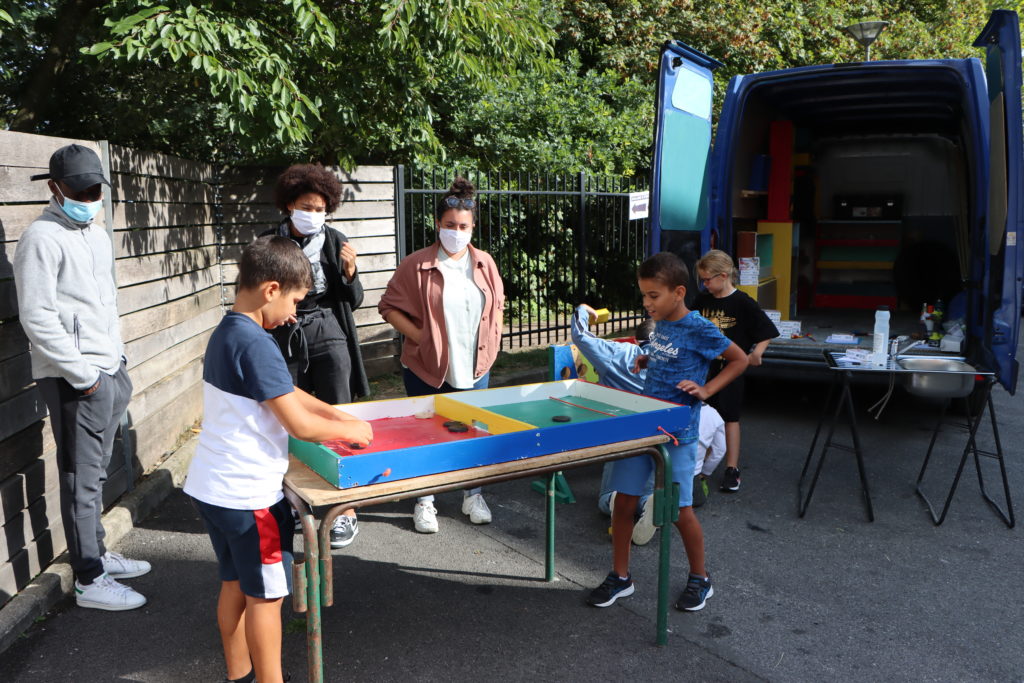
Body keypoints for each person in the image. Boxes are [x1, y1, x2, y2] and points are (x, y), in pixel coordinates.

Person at [183, 236, 372, 683]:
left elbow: (286, 393)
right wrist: (350, 429)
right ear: (270, 289)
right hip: (250, 498)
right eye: (293, 301)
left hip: (213, 489)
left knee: (235, 585)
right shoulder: (257, 343)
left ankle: (238, 675)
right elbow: (298, 425)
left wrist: (333, 410)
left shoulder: (228, 331)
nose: (293, 313)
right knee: (267, 598)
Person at [14, 144, 150, 611]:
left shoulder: (95, 231)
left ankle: (97, 555)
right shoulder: (41, 238)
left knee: (94, 473)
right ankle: (90, 579)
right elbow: (37, 317)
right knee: (80, 478)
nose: (89, 197)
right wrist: (86, 375)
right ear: (55, 189)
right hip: (77, 379)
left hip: (108, 369)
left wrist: (118, 362)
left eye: (95, 189)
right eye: (80, 190)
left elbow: (104, 304)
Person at [587, 252, 748, 612]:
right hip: (645, 427)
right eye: (643, 295)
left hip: (678, 433)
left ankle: (700, 579)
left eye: (652, 296)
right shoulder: (660, 323)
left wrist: (707, 391)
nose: (646, 303)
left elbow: (740, 359)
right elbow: (666, 353)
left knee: (678, 510)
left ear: (678, 292)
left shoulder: (700, 328)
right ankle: (621, 577)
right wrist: (648, 356)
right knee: (624, 501)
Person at [378, 177, 504, 534]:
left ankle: (472, 493)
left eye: (463, 226)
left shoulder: (484, 263)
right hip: (426, 367)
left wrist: (492, 337)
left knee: (474, 430)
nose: (457, 232)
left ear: (473, 227)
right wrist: (420, 336)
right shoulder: (416, 265)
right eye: (450, 225)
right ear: (438, 224)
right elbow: (388, 306)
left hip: (476, 365)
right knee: (426, 434)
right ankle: (425, 500)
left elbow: (497, 304)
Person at [261, 164, 369, 549]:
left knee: (338, 414)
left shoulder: (336, 240)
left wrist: (351, 272)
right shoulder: (268, 243)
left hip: (328, 332)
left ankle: (345, 510)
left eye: (321, 208)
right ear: (289, 205)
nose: (314, 214)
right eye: (307, 206)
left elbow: (354, 301)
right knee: (289, 419)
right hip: (284, 336)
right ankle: (293, 503)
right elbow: (257, 293)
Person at [693, 249, 779, 493]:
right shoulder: (702, 300)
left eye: (708, 279)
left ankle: (731, 468)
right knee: (701, 414)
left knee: (730, 418)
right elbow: (689, 323)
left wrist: (757, 353)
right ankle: (699, 464)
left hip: (731, 369)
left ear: (723, 275)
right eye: (703, 280)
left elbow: (767, 331)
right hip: (705, 368)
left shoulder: (742, 302)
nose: (705, 284)